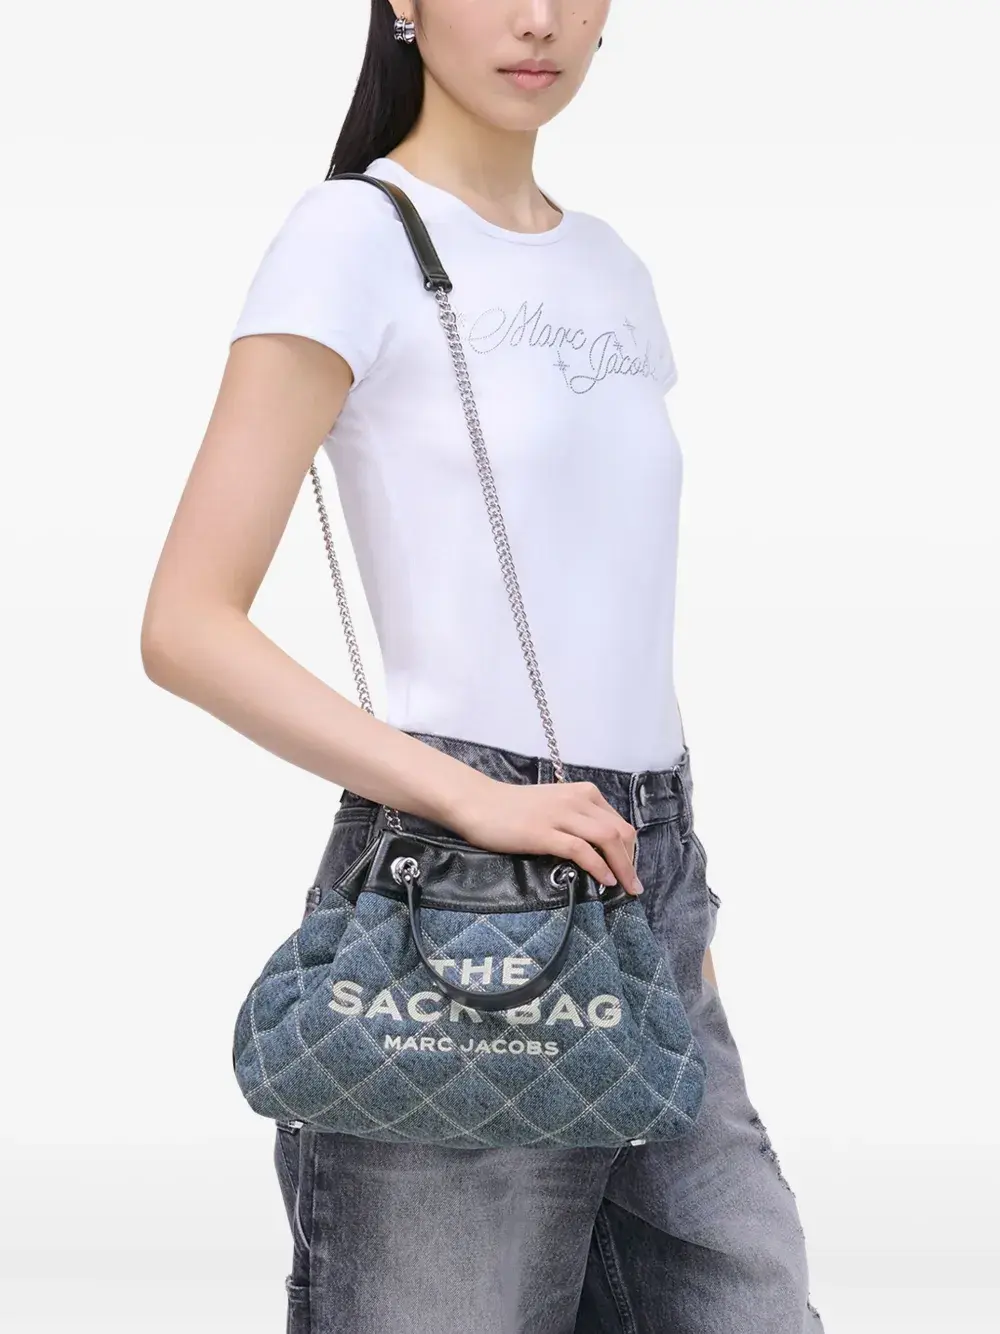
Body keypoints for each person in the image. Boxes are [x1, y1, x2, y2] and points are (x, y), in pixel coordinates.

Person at [141, 2, 825, 1330]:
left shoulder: (612, 265)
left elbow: (608, 605)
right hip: (459, 893)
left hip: (645, 883)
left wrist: (676, 907)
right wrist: (478, 800)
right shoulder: (352, 236)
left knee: (750, 1294)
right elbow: (186, 622)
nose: (538, 19)